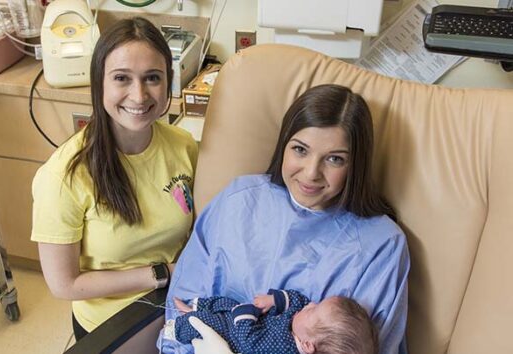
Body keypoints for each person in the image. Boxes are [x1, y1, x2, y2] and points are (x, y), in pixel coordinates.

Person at [162, 84, 410, 354]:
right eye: (301, 150)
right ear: (284, 145)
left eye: (335, 159)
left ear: (356, 165)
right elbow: (180, 307)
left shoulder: (382, 247)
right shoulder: (238, 199)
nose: (312, 172)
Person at [31, 17, 198, 341]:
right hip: (112, 327)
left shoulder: (183, 146)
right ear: (100, 84)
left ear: (169, 82)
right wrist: (160, 275)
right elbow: (64, 284)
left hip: (175, 307)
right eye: (122, 78)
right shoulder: (64, 176)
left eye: (152, 78)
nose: (139, 95)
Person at [170, 290, 378, 354]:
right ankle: (195, 307)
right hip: (251, 322)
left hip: (236, 338)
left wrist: (245, 313)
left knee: (208, 321)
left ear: (307, 345)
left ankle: (176, 328)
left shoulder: (282, 346)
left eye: (314, 309)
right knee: (225, 302)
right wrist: (275, 300)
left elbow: (248, 340)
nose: (310, 303)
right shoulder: (304, 327)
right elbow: (300, 300)